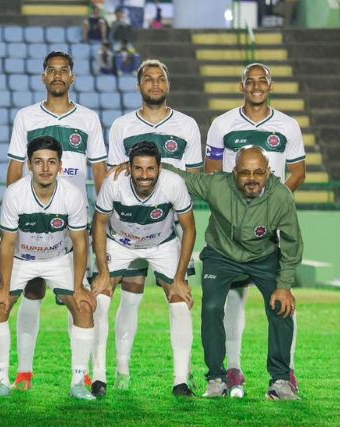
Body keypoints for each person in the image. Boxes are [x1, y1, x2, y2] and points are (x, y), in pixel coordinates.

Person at [164, 146, 302, 401]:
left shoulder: (281, 196)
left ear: (268, 172)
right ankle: (217, 379)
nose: (252, 178)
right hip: (221, 255)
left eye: (259, 172)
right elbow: (183, 177)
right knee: (212, 307)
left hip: (263, 257)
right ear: (234, 172)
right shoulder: (217, 185)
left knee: (281, 306)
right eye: (245, 173)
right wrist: (143, 164)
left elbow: (293, 244)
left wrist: (284, 284)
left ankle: (280, 380)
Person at [6, 50, 107, 390]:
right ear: (43, 77)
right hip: (33, 223)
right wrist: (15, 208)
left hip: (72, 223)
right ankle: (23, 371)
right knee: (31, 291)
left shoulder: (89, 119)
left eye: (65, 71)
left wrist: (102, 215)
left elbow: (99, 172)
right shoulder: (26, 117)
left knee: (76, 296)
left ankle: (83, 374)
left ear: (73, 77)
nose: (58, 76)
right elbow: (14, 168)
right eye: (52, 71)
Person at [205, 62, 305, 397]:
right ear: (242, 86)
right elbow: (213, 172)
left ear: (271, 86)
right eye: (251, 81)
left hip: (270, 223)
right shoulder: (222, 124)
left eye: (263, 81)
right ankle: (233, 369)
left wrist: (275, 207)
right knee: (233, 297)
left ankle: (284, 373)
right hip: (232, 225)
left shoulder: (288, 126)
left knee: (282, 296)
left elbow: (299, 171)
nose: (257, 86)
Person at [102, 59, 202, 395]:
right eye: (149, 79)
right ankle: (119, 371)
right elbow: (113, 175)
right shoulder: (121, 126)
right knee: (128, 298)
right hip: (128, 230)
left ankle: (181, 378)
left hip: (166, 231)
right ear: (139, 85)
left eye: (161, 79)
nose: (155, 84)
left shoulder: (187, 125)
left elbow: (196, 178)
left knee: (179, 296)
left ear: (168, 85)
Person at [0, 136, 96, 401]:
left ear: (60, 165)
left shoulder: (72, 194)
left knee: (83, 306)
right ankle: (1, 381)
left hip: (59, 258)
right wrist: (2, 288)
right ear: (29, 165)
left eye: (51, 162)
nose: (45, 168)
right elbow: (8, 244)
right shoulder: (15, 193)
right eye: (38, 162)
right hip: (22, 258)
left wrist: (80, 286)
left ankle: (78, 382)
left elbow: (81, 243)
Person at [91, 141, 196, 397]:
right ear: (129, 167)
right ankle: (99, 377)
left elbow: (190, 229)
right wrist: (103, 272)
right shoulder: (113, 183)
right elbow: (99, 223)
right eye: (138, 168)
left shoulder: (173, 184)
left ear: (160, 168)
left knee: (180, 301)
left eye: (150, 169)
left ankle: (181, 381)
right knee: (100, 301)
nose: (145, 175)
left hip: (162, 244)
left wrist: (180, 278)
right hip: (120, 243)